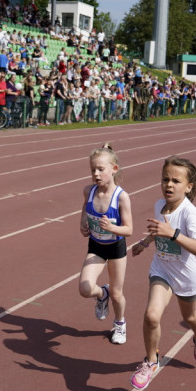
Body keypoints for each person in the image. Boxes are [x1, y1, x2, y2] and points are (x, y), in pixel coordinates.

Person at [129, 156, 196, 390]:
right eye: (165, 179)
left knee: (190, 317)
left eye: (176, 180)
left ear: (188, 186)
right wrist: (145, 243)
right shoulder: (159, 205)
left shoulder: (190, 214)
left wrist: (173, 233)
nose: (169, 185)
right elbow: (158, 231)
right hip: (162, 269)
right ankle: (151, 362)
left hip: (186, 276)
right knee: (152, 315)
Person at [79, 145, 133, 345]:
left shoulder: (121, 197)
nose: (96, 174)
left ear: (114, 169)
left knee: (118, 295)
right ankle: (103, 294)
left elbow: (129, 230)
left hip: (116, 248)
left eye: (101, 169)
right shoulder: (88, 191)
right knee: (85, 289)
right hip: (96, 245)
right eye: (93, 169)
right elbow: (85, 208)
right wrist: (83, 223)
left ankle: (119, 323)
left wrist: (112, 227)